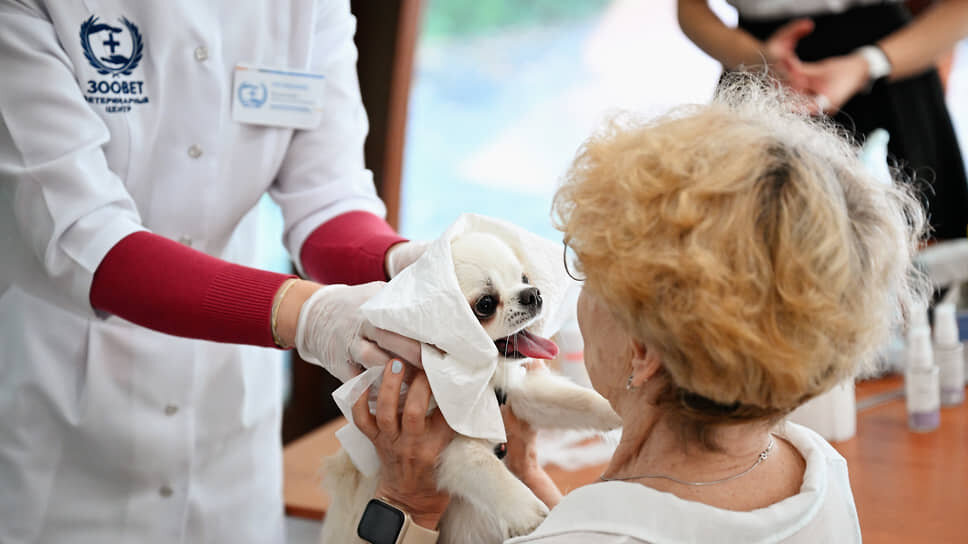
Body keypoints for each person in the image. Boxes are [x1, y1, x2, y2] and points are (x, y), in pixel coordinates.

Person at [349, 77, 927, 542]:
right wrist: (525, 472)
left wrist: (408, 504)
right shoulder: (817, 473)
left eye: (590, 273)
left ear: (645, 350)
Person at [0, 1, 424, 542]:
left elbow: (327, 199)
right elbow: (87, 239)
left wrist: (398, 262)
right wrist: (309, 315)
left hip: (227, 427)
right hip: (59, 432)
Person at [678, 0, 968, 241]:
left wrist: (868, 65)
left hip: (890, 75)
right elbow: (689, 7)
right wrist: (752, 57)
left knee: (917, 264)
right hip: (759, 74)